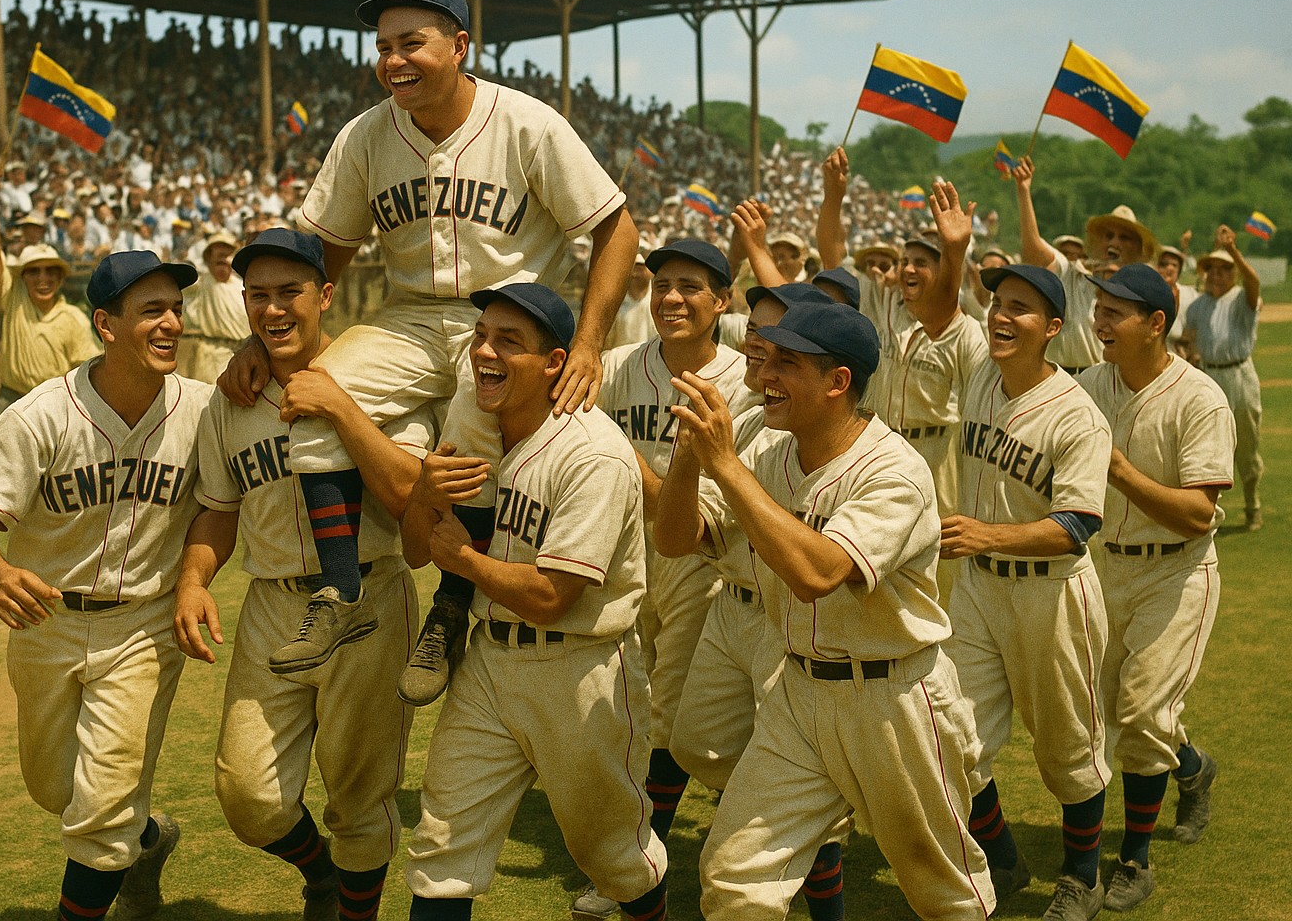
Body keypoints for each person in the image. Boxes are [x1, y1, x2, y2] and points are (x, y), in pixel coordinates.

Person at [219, 0, 638, 693]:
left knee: (474, 446)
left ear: (461, 45)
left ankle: (450, 607)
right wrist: (271, 336)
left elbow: (615, 228)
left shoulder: (527, 122)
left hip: (504, 322)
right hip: (408, 315)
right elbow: (325, 249)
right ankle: (341, 590)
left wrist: (591, 341)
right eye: (384, 47)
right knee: (315, 396)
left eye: (412, 43)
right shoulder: (365, 133)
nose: (394, 60)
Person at [659, 299, 993, 921]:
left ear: (838, 382)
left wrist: (726, 465)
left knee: (942, 889)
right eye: (768, 359)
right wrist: (689, 459)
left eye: (788, 363)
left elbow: (818, 574)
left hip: (893, 697)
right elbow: (676, 539)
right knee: (736, 878)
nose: (765, 376)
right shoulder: (771, 455)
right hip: (798, 693)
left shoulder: (895, 471)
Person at [175, 230, 431, 921]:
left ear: (326, 295)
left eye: (290, 293)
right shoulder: (229, 400)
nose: (274, 309)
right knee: (248, 794)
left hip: (369, 597)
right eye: (259, 296)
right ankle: (319, 874)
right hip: (272, 603)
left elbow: (412, 496)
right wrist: (195, 579)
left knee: (359, 797)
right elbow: (218, 510)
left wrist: (342, 410)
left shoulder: (383, 377)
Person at [0, 250, 209, 921]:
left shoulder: (205, 411)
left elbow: (224, 502)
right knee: (56, 788)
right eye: (152, 310)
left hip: (144, 625)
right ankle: (146, 839)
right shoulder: (41, 415)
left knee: (99, 811)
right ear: (106, 324)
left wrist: (194, 576)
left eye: (176, 308)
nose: (171, 323)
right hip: (49, 624)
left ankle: (104, 866)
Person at [399, 282, 668, 921]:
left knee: (615, 860)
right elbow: (414, 550)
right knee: (442, 851)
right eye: (482, 337)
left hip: (580, 671)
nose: (485, 352)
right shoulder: (475, 433)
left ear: (555, 364)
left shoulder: (593, 452)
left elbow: (551, 597)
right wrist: (421, 492)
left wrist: (460, 559)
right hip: (491, 661)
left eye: (509, 342)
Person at [936, 181, 1114, 921]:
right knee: (950, 735)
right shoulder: (983, 372)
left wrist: (987, 534)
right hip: (981, 590)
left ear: (1052, 327)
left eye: (1019, 307)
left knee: (1067, 750)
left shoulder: (1078, 414)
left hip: (1052, 592)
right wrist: (954, 252)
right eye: (997, 302)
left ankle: (1083, 875)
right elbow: (943, 312)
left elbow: (1075, 524)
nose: (1000, 315)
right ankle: (1002, 858)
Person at [568, 239, 757, 919]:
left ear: (722, 301)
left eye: (690, 287)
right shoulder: (619, 367)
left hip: (703, 559)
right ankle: (643, 852)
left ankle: (646, 858)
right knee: (629, 705)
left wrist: (630, 467)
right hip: (624, 554)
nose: (671, 298)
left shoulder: (744, 379)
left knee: (677, 718)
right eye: (661, 284)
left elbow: (710, 504)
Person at [1076, 263, 1233, 911]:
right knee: (1122, 713)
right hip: (1107, 565)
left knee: (1141, 716)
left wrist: (1118, 470)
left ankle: (1134, 861)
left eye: (1116, 312)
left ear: (1157, 323)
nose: (1100, 321)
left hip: (1177, 567)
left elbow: (1199, 513)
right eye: (1100, 308)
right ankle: (1193, 769)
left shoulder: (1199, 398)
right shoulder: (1089, 385)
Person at [815, 148, 985, 521]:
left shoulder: (963, 330)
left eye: (921, 262)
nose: (908, 268)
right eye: (905, 260)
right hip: (879, 445)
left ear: (942, 272)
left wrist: (955, 252)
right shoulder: (880, 300)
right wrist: (834, 195)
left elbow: (980, 403)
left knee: (939, 560)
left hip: (938, 455)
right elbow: (831, 255)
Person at [1013, 156, 1157, 373]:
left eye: (1124, 237)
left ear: (1137, 249)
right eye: (1109, 235)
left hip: (1108, 378)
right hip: (1061, 376)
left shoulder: (1141, 291)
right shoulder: (1074, 273)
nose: (1114, 242)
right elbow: (1034, 251)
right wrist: (1023, 191)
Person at [0, 168, 100, 421]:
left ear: (60, 278)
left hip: (56, 405)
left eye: (49, 272)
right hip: (11, 401)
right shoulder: (14, 297)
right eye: (34, 272)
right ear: (22, 277)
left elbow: (90, 373)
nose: (43, 279)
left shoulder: (73, 317)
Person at [1182, 226, 1263, 530]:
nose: (1216, 274)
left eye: (1223, 269)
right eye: (1211, 269)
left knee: (1246, 444)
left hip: (1239, 375)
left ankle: (1252, 503)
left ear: (1233, 273)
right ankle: (1208, 513)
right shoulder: (1198, 305)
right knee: (1208, 445)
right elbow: (1189, 339)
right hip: (1208, 376)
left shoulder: (1242, 298)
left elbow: (1254, 281)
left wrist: (1233, 251)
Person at [174, 232, 248, 384]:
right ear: (209, 258)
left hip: (239, 355)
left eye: (227, 252)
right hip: (210, 355)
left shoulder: (241, 286)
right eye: (218, 251)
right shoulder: (201, 284)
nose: (223, 257)